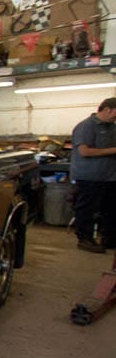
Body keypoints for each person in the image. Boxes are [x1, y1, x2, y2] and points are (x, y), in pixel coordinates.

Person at [70, 97, 116, 253]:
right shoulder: (86, 126)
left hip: (109, 176)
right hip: (90, 176)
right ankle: (85, 239)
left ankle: (108, 239)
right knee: (87, 209)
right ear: (107, 109)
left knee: (110, 209)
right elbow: (84, 151)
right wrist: (112, 150)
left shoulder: (112, 127)